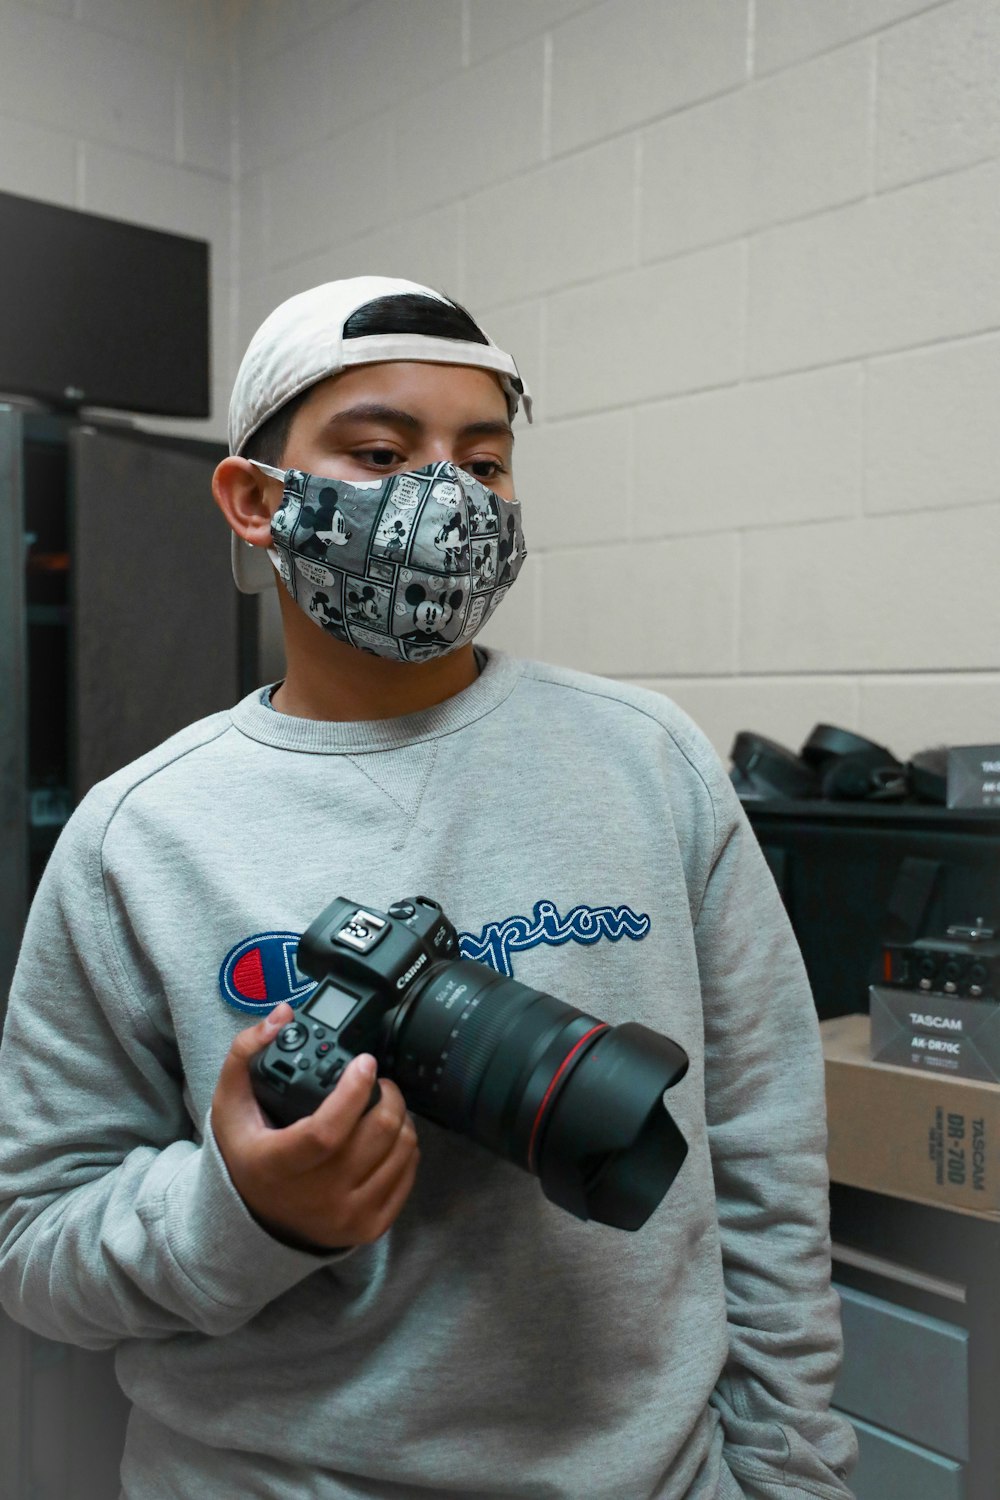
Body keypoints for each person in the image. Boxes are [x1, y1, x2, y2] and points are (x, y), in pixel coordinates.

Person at [0, 276, 857, 1499]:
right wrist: (242, 1210)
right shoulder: (138, 838)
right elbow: (31, 1249)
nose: (448, 498)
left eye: (486, 463)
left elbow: (767, 1164)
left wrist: (787, 1473)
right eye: (379, 451)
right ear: (255, 501)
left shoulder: (650, 762)